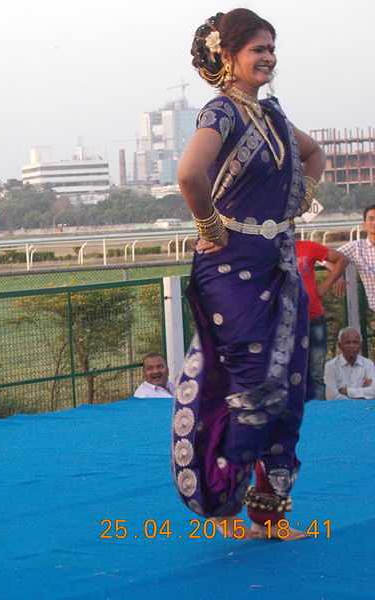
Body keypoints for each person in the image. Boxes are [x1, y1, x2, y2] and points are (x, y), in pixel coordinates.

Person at [172, 9, 325, 540]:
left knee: (288, 385)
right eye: (258, 49)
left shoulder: (272, 116)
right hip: (230, 266)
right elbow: (189, 173)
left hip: (277, 266)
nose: (268, 58)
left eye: (271, 48)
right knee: (251, 383)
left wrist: (298, 199)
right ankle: (221, 497)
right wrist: (210, 225)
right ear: (227, 56)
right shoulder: (221, 113)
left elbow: (314, 154)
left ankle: (271, 514)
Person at [294, 240, 347, 400]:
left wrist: (326, 285)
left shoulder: (308, 246)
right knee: (292, 372)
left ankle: (318, 412)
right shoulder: (270, 250)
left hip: (313, 317)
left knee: (316, 373)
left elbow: (342, 259)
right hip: (287, 322)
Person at [336, 204, 375, 312]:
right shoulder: (356, 247)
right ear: (364, 225)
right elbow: (325, 258)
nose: (374, 223)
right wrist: (338, 275)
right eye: (371, 219)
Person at [324, 327, 375, 400]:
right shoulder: (331, 366)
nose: (352, 346)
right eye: (347, 342)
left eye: (355, 342)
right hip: (341, 407)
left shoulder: (368, 364)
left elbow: (373, 392)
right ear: (340, 345)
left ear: (360, 345)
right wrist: (362, 394)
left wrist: (347, 391)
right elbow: (331, 396)